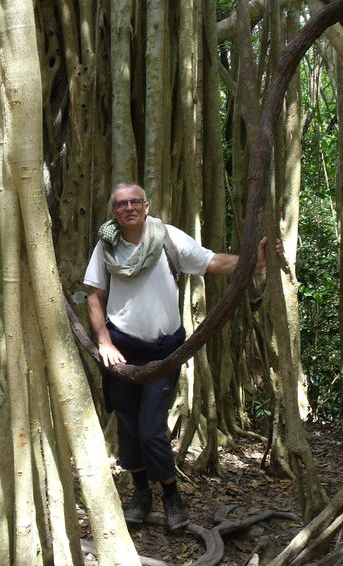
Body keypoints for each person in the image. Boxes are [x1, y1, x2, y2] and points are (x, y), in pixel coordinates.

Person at [83, 182, 270, 531]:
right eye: (121, 204)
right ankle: (141, 495)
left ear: (147, 206)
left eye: (135, 202)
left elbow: (211, 261)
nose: (129, 208)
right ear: (114, 212)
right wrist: (104, 342)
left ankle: (171, 494)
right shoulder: (105, 247)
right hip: (121, 351)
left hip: (164, 352)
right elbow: (94, 295)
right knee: (127, 426)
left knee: (151, 429)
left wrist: (254, 262)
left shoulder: (168, 238)